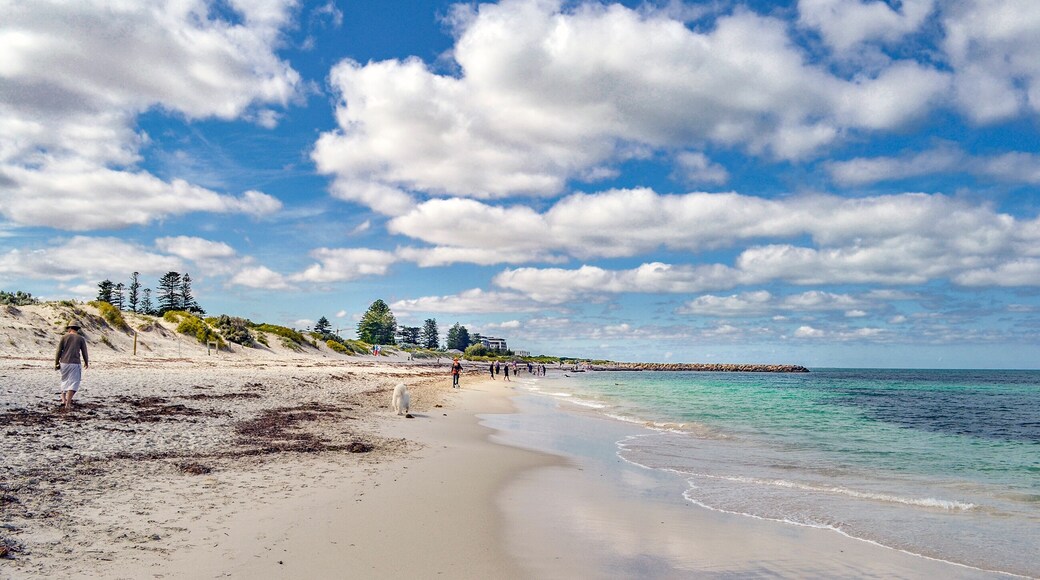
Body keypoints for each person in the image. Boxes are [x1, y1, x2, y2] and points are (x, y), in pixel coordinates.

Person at [55, 322, 89, 411]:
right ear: (77, 329)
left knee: (64, 380)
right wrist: (86, 362)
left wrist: (56, 363)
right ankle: (68, 403)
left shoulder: (64, 337)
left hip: (64, 362)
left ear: (70, 328)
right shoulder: (80, 338)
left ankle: (63, 400)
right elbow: (84, 352)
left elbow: (59, 351)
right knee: (74, 382)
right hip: (75, 362)